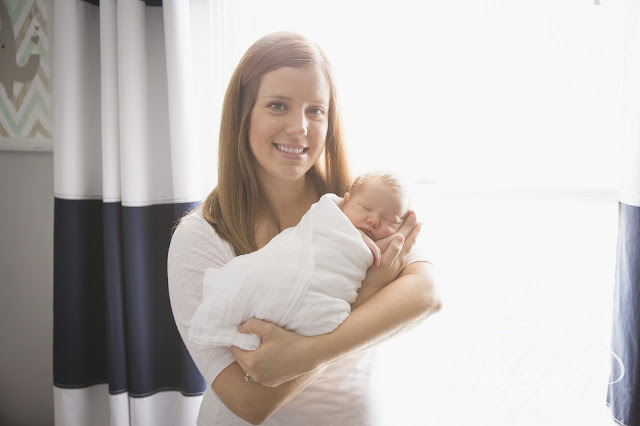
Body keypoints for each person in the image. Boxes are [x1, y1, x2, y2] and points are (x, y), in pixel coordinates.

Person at [167, 31, 442, 425]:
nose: (299, 127)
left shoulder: (359, 206)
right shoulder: (201, 236)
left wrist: (300, 354)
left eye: (316, 110)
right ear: (243, 115)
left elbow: (427, 293)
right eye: (278, 105)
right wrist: (369, 294)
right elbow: (249, 402)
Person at [187, 172, 413, 353]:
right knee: (256, 276)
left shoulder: (393, 244)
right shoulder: (328, 217)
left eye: (389, 219)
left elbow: (425, 293)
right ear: (345, 202)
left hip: (327, 295)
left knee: (325, 318)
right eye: (365, 208)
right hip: (294, 264)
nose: (373, 220)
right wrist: (361, 241)